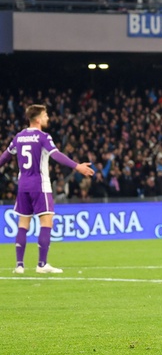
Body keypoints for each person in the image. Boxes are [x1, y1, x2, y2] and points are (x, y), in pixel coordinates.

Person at [0, 104, 94, 274]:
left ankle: (19, 266)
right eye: (45, 115)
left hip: (23, 186)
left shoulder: (19, 137)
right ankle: (42, 264)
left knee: (23, 224)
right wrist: (77, 166)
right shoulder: (43, 137)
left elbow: (5, 156)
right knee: (46, 222)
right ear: (37, 119)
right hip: (40, 185)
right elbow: (56, 154)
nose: (48, 118)